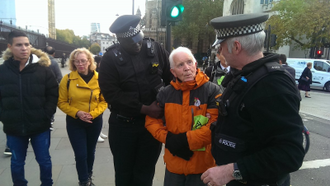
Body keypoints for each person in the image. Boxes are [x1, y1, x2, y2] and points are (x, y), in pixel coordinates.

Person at [201, 13, 305, 186]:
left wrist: (232, 171)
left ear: (236, 46)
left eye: (221, 46)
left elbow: (289, 153)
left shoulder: (272, 84)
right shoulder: (246, 74)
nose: (219, 51)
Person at [98, 15, 173, 186]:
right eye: (132, 42)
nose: (138, 45)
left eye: (138, 40)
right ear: (120, 40)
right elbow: (112, 95)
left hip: (152, 126)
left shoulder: (156, 48)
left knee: (145, 173)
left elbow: (171, 78)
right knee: (124, 174)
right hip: (124, 127)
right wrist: (145, 109)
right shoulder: (110, 59)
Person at [145, 47, 222, 186]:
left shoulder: (212, 91)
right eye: (180, 65)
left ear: (196, 65)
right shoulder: (165, 93)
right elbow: (151, 121)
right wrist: (168, 139)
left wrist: (184, 141)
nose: (187, 68)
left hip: (202, 168)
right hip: (174, 168)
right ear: (173, 72)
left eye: (189, 62)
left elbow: (215, 126)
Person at [0, 31, 58, 186]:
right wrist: (4, 116)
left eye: (27, 44)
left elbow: (53, 93)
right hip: (14, 127)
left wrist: (46, 114)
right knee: (17, 163)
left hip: (40, 125)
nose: (24, 48)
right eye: (19, 45)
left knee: (44, 161)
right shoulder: (3, 71)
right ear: (10, 47)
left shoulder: (43, 69)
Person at [57, 48, 108, 186]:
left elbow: (104, 101)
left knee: (90, 151)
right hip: (75, 122)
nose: (80, 64)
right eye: (77, 61)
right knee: (80, 154)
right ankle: (84, 181)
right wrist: (77, 113)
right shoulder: (67, 79)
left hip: (94, 121)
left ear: (89, 61)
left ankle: (88, 175)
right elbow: (61, 102)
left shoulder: (100, 79)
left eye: (83, 61)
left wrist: (92, 114)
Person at [44, 45, 63, 129]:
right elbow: (59, 76)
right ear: (54, 54)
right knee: (51, 103)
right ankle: (50, 119)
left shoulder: (38, 61)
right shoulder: (54, 62)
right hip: (52, 87)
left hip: (40, 87)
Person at [93, 55, 108, 143]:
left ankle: (99, 131)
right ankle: (96, 134)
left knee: (100, 116)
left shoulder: (100, 70)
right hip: (95, 98)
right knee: (97, 116)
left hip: (100, 96)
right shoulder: (94, 72)